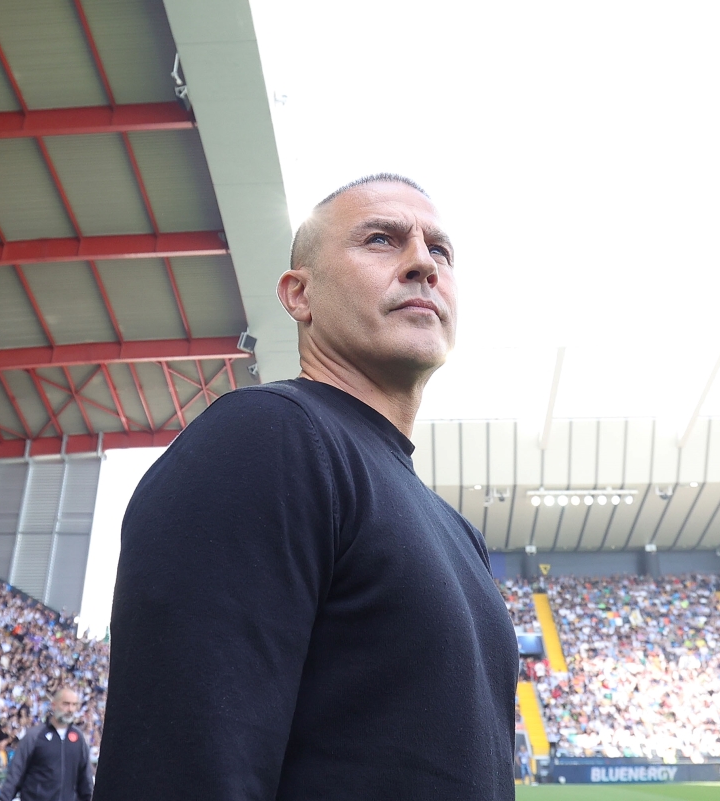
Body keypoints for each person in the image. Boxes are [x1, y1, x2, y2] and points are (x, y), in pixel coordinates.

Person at [95, 175, 517, 800]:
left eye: (441, 251)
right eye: (381, 239)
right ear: (299, 294)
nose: (423, 264)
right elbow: (185, 771)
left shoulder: (458, 532)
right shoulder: (268, 438)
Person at [0, 688, 92, 801]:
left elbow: (85, 778)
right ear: (53, 705)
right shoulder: (34, 736)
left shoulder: (78, 739)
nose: (70, 709)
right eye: (66, 704)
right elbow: (16, 773)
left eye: (74, 705)